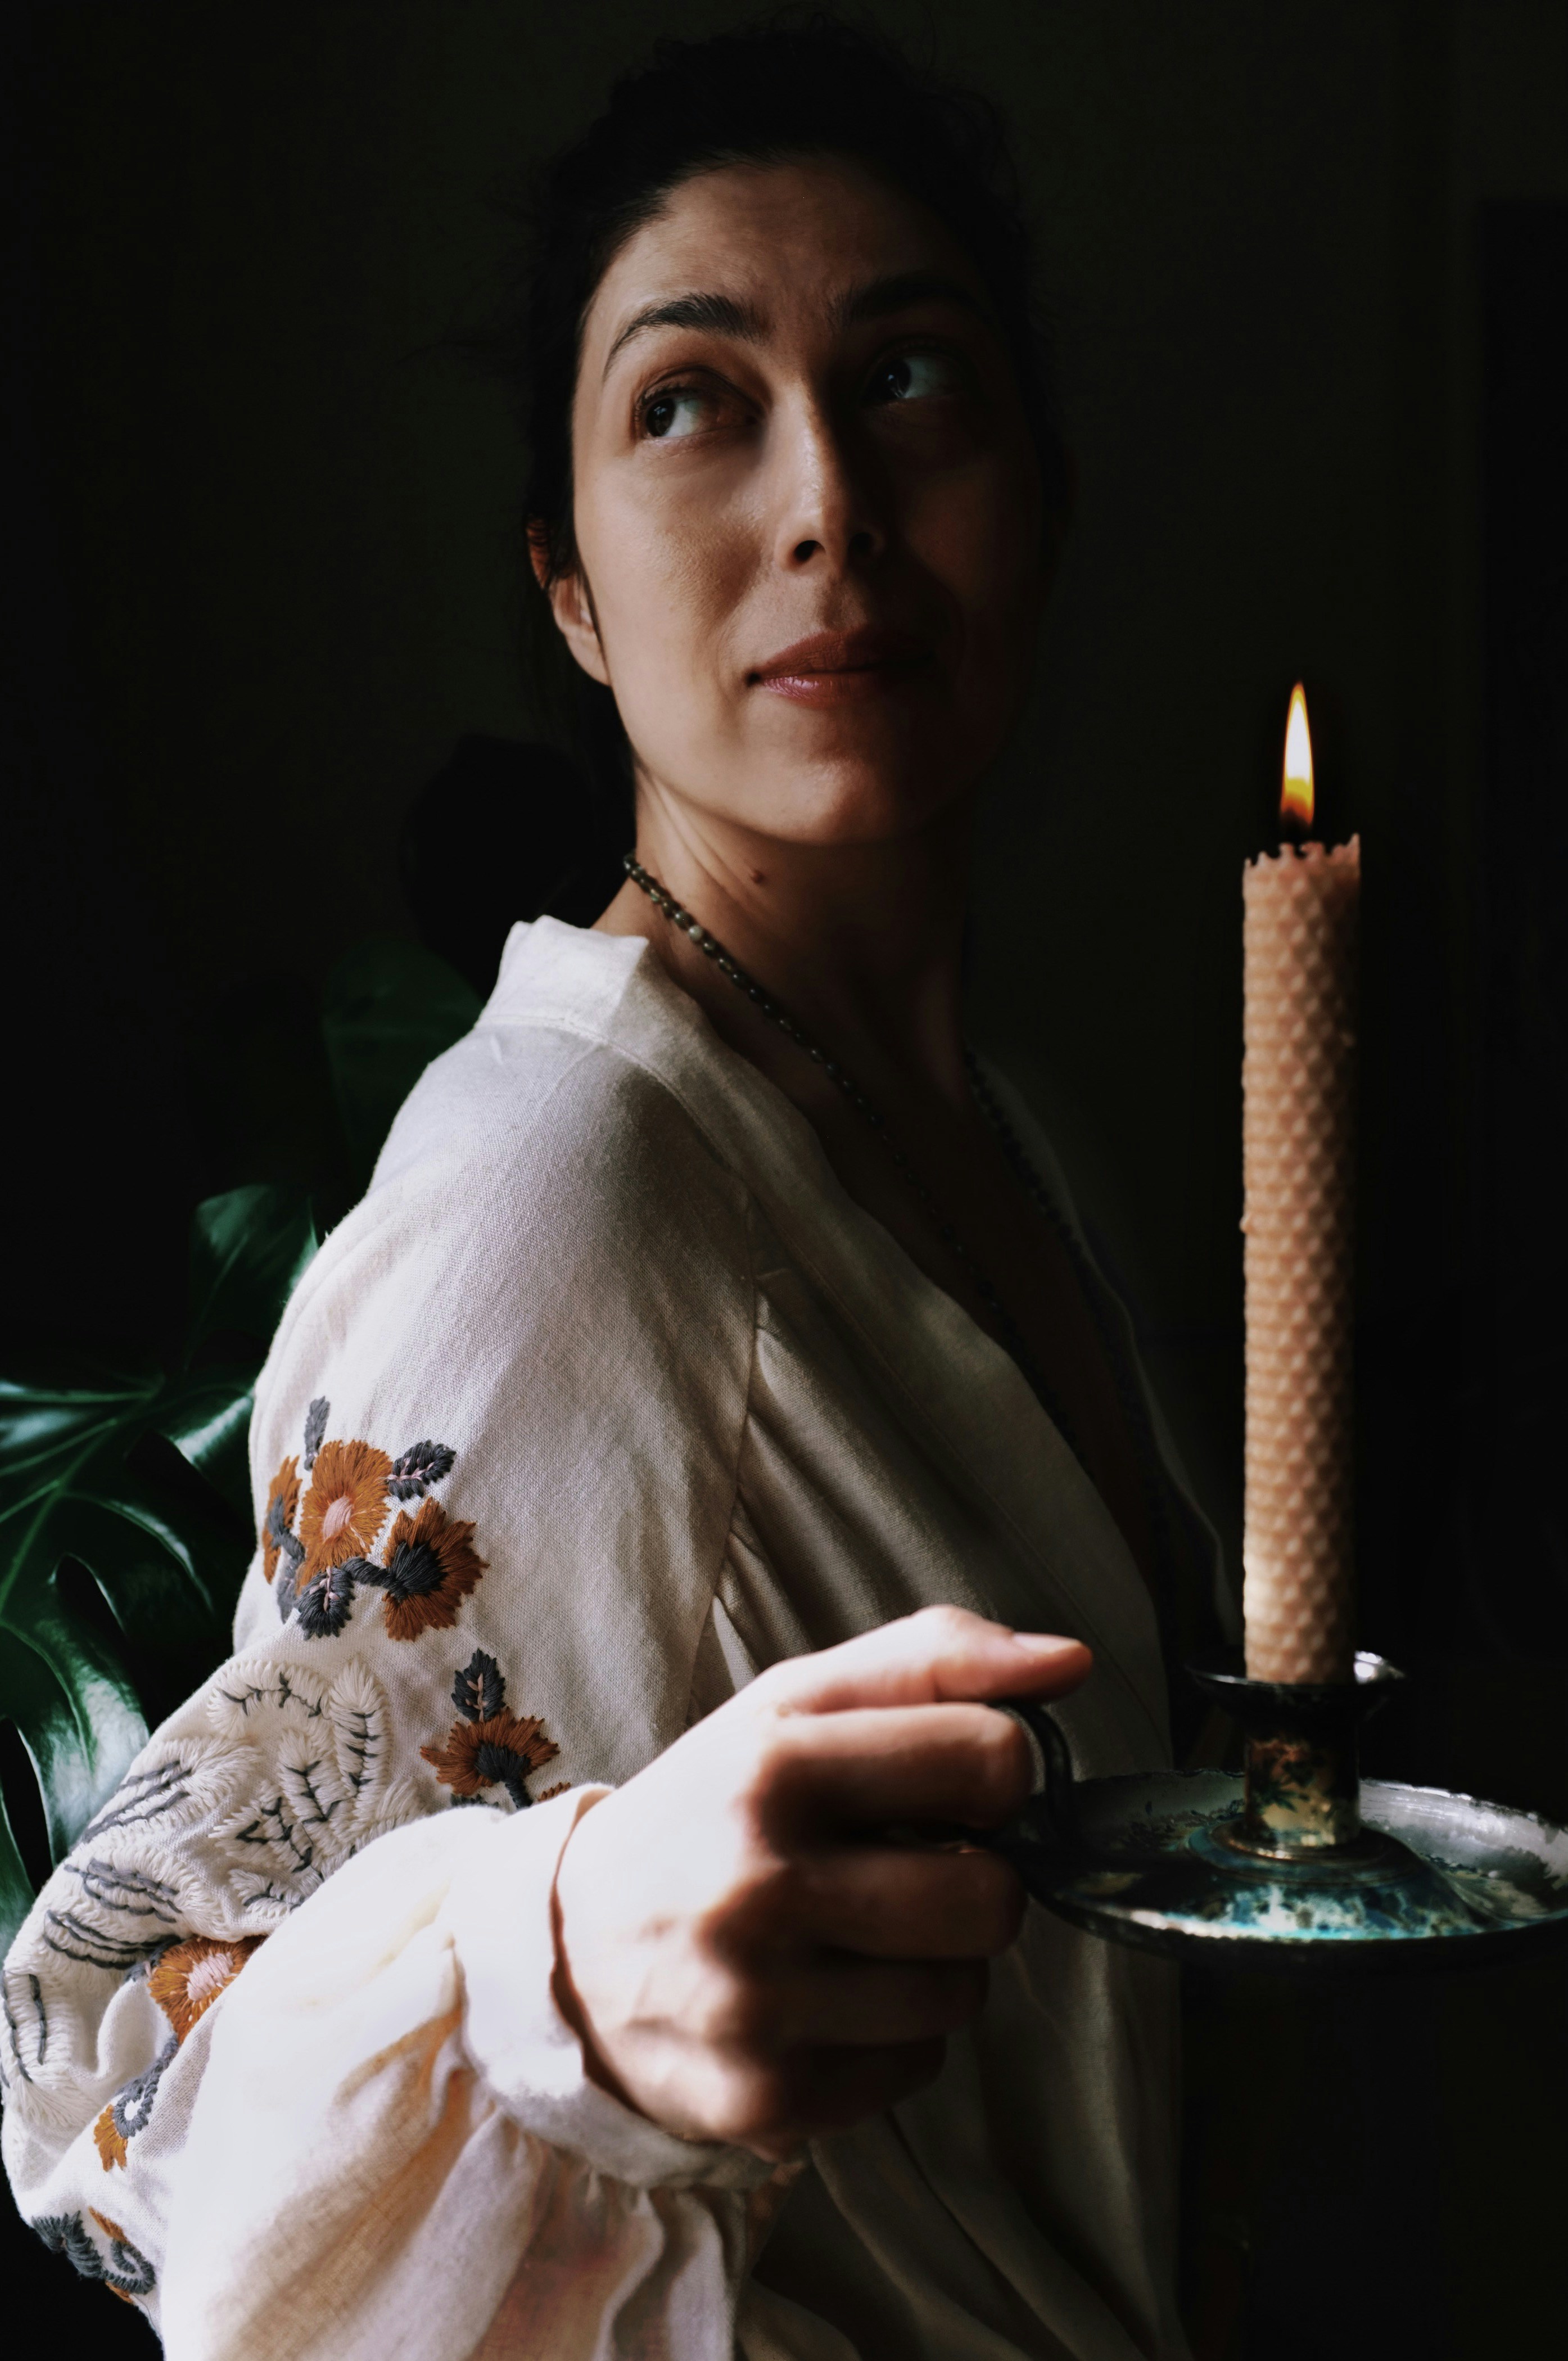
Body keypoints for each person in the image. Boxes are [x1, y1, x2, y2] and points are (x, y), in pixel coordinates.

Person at [2, 23, 1227, 2359]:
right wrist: (549, 1954)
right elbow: (109, 2075)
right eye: (690, 399)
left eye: (911, 380)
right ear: (565, 588)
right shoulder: (564, 1185)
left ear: (1038, 506)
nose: (826, 511)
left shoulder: (1011, 1139)